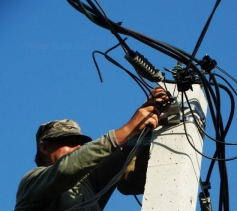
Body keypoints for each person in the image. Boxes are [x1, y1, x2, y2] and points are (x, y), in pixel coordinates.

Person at [15, 87, 169, 211]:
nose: (77, 147)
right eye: (68, 142)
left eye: (79, 143)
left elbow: (124, 148)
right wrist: (128, 129)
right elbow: (66, 169)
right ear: (44, 147)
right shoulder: (32, 182)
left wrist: (150, 110)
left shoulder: (89, 185)